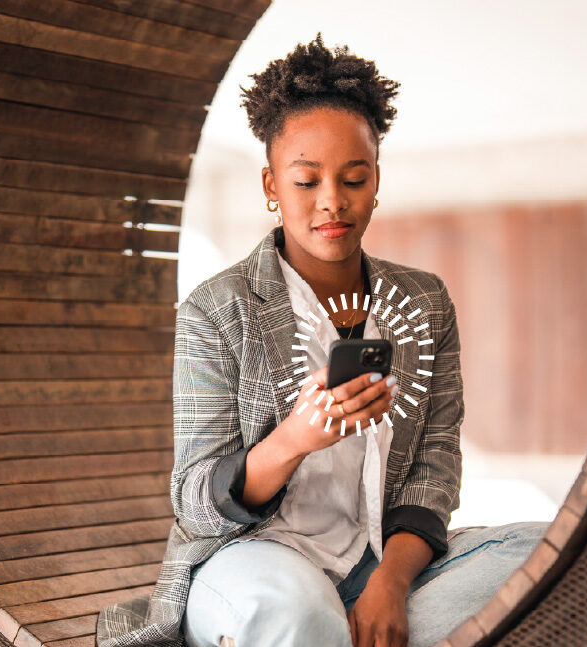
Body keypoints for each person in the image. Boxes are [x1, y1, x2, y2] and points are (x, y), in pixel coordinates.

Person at [96, 34, 548, 647]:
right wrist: (295, 439)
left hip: (375, 565)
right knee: (298, 617)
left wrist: (390, 581)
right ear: (271, 185)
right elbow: (194, 504)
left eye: (353, 178)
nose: (332, 202)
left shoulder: (424, 303)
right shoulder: (218, 307)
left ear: (376, 180)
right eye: (306, 182)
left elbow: (434, 471)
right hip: (251, 561)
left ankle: (354, 628)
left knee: (546, 550)